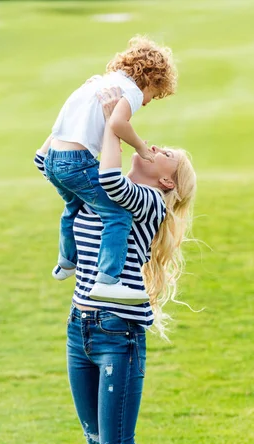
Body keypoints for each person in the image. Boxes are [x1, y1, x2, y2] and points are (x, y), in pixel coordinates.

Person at [33, 88, 237, 444]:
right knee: (96, 443)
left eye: (165, 155)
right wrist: (77, 110)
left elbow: (109, 175)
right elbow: (46, 162)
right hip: (80, 328)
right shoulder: (95, 191)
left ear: (168, 183)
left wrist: (112, 125)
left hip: (117, 335)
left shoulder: (146, 203)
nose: (155, 148)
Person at [34, 36, 177, 305]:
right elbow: (119, 124)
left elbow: (66, 125)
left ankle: (66, 262)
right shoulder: (131, 91)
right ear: (150, 79)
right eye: (153, 95)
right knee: (118, 214)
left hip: (54, 157)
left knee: (73, 207)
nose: (146, 102)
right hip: (76, 162)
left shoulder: (98, 83)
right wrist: (141, 149)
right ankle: (108, 281)